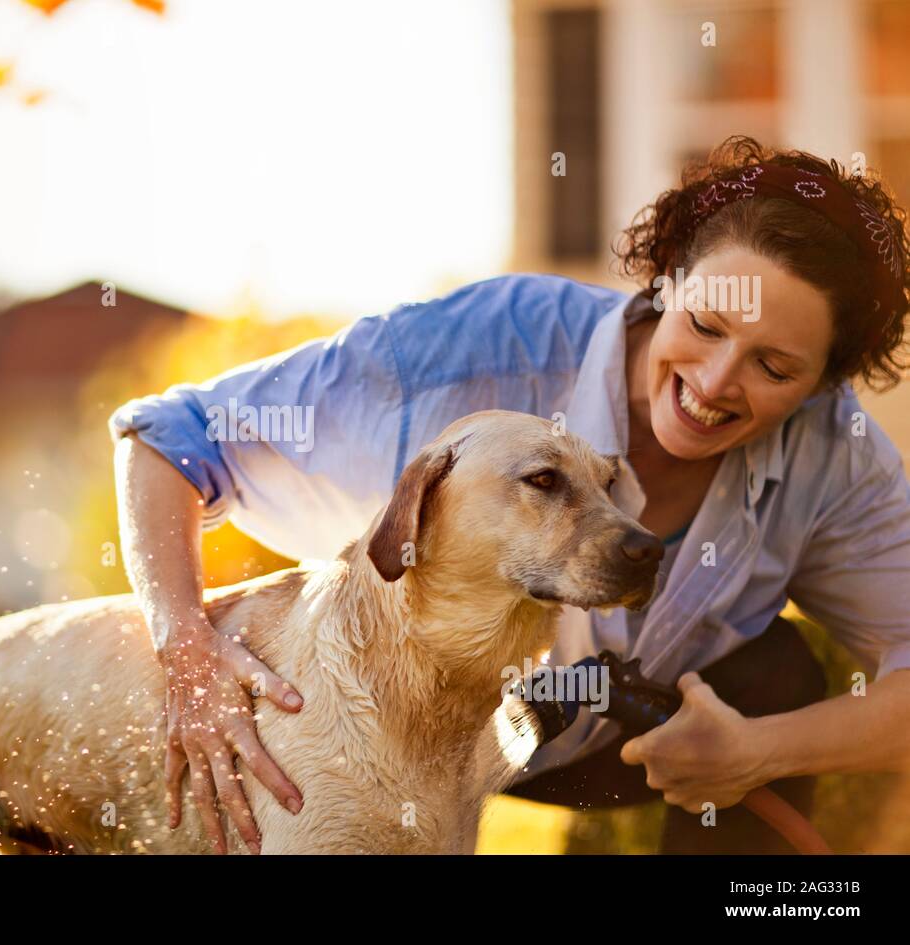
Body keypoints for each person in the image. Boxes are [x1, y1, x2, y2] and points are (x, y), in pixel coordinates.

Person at [109, 135, 910, 854]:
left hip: (599, 743)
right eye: (703, 325)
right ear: (668, 281)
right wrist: (186, 650)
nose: (714, 382)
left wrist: (758, 752)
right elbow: (167, 437)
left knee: (778, 673)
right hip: (380, 727)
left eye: (774, 368)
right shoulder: (474, 346)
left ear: (824, 384)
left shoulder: (837, 457)